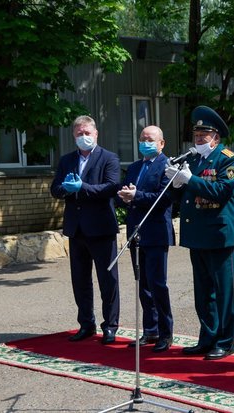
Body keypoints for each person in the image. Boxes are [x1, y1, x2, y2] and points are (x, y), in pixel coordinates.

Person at [164, 105, 234, 360]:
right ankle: (207, 338)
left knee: (224, 293)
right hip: (197, 235)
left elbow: (222, 191)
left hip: (219, 237)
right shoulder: (193, 160)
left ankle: (225, 342)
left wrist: (189, 180)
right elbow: (183, 197)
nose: (198, 139)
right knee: (203, 293)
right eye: (196, 135)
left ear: (215, 137)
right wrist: (175, 183)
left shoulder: (229, 159)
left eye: (203, 135)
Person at [50, 115, 121, 345]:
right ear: (74, 135)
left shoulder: (109, 158)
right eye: (79, 134)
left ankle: (110, 326)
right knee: (80, 280)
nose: (83, 137)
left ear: (96, 134)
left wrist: (83, 187)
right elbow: (55, 189)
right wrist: (65, 189)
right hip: (76, 228)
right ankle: (86, 324)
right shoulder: (67, 160)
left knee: (107, 280)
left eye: (87, 133)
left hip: (101, 228)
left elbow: (111, 188)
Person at [116, 125, 175, 353]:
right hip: (136, 232)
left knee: (157, 284)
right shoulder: (134, 167)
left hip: (156, 232)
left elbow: (164, 198)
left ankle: (165, 333)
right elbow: (124, 196)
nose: (145, 143)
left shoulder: (168, 166)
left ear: (161, 143)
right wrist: (125, 196)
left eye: (150, 139)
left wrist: (136, 195)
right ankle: (150, 330)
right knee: (143, 285)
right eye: (142, 139)